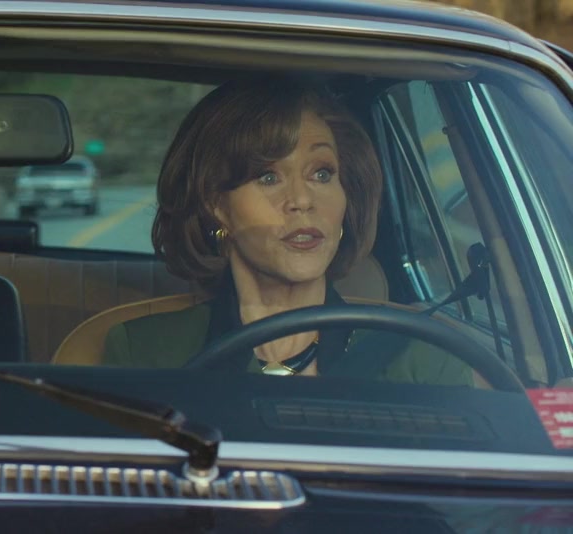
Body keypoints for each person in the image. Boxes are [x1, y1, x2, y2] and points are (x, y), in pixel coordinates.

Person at [102, 76, 472, 385]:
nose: (302, 200)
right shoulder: (143, 351)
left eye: (322, 174)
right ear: (217, 205)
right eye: (268, 176)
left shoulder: (425, 359)